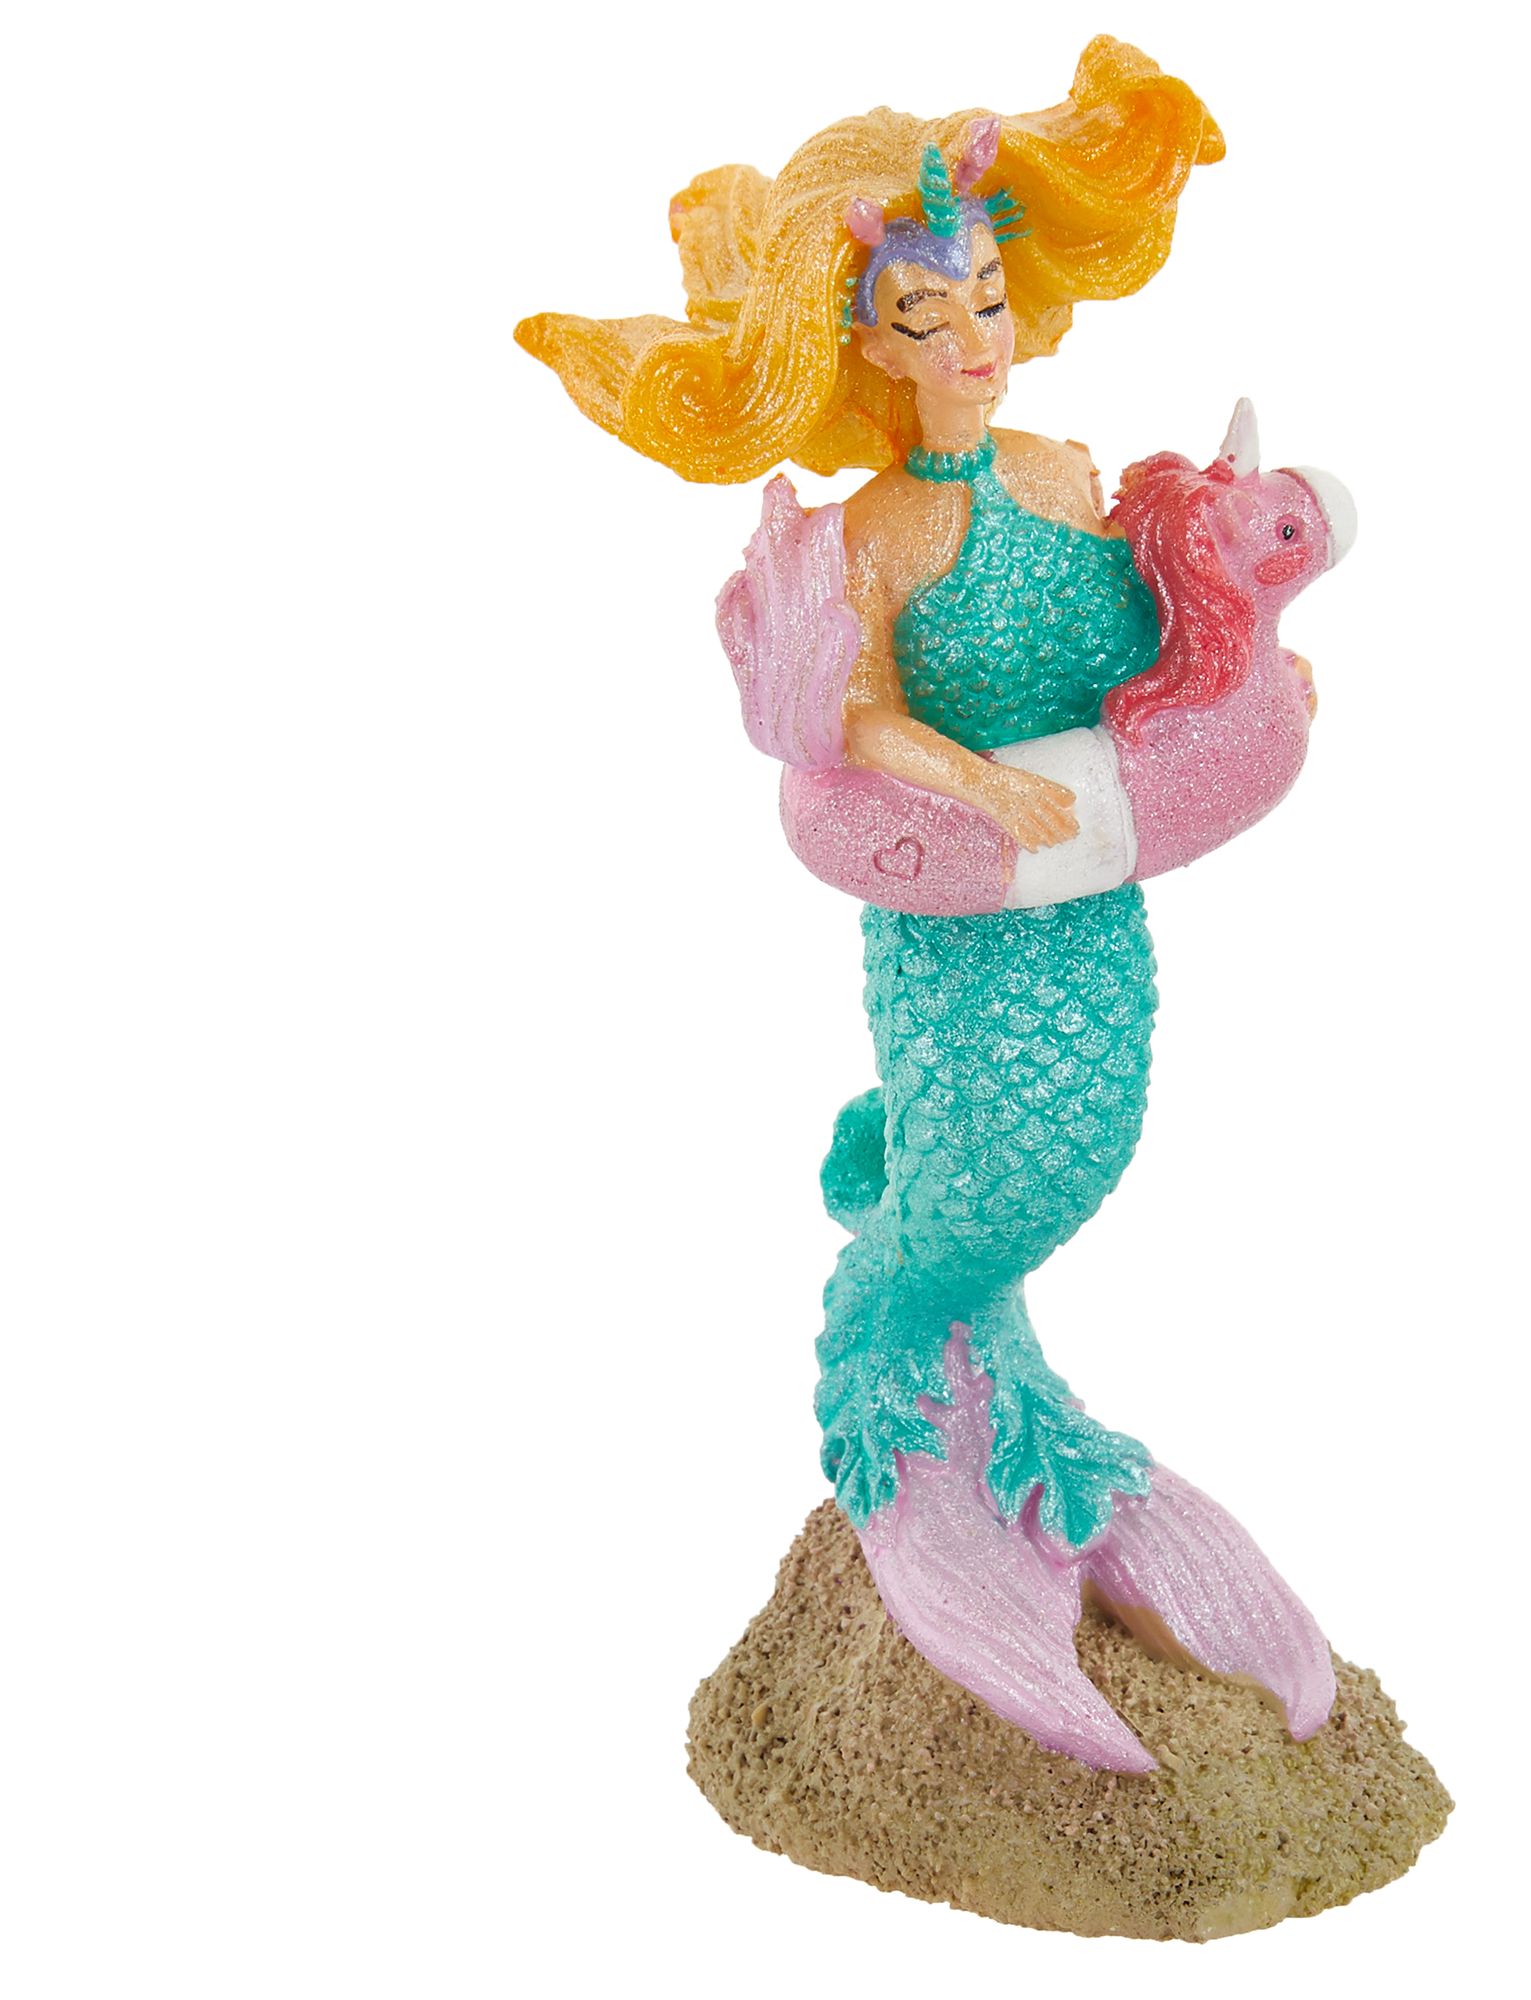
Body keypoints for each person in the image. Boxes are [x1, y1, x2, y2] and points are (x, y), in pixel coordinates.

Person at [520, 39, 1338, 1773]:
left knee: (1090, 1127)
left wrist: (1241, 657)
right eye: (925, 314)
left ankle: (1018, 1424)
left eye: (986, 299)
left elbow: (1145, 648)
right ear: (867, 347)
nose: (972, 337)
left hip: (1089, 904)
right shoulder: (876, 534)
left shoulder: (1062, 474)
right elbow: (863, 716)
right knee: (990, 1171)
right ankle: (921, 1432)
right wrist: (970, 784)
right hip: (960, 925)